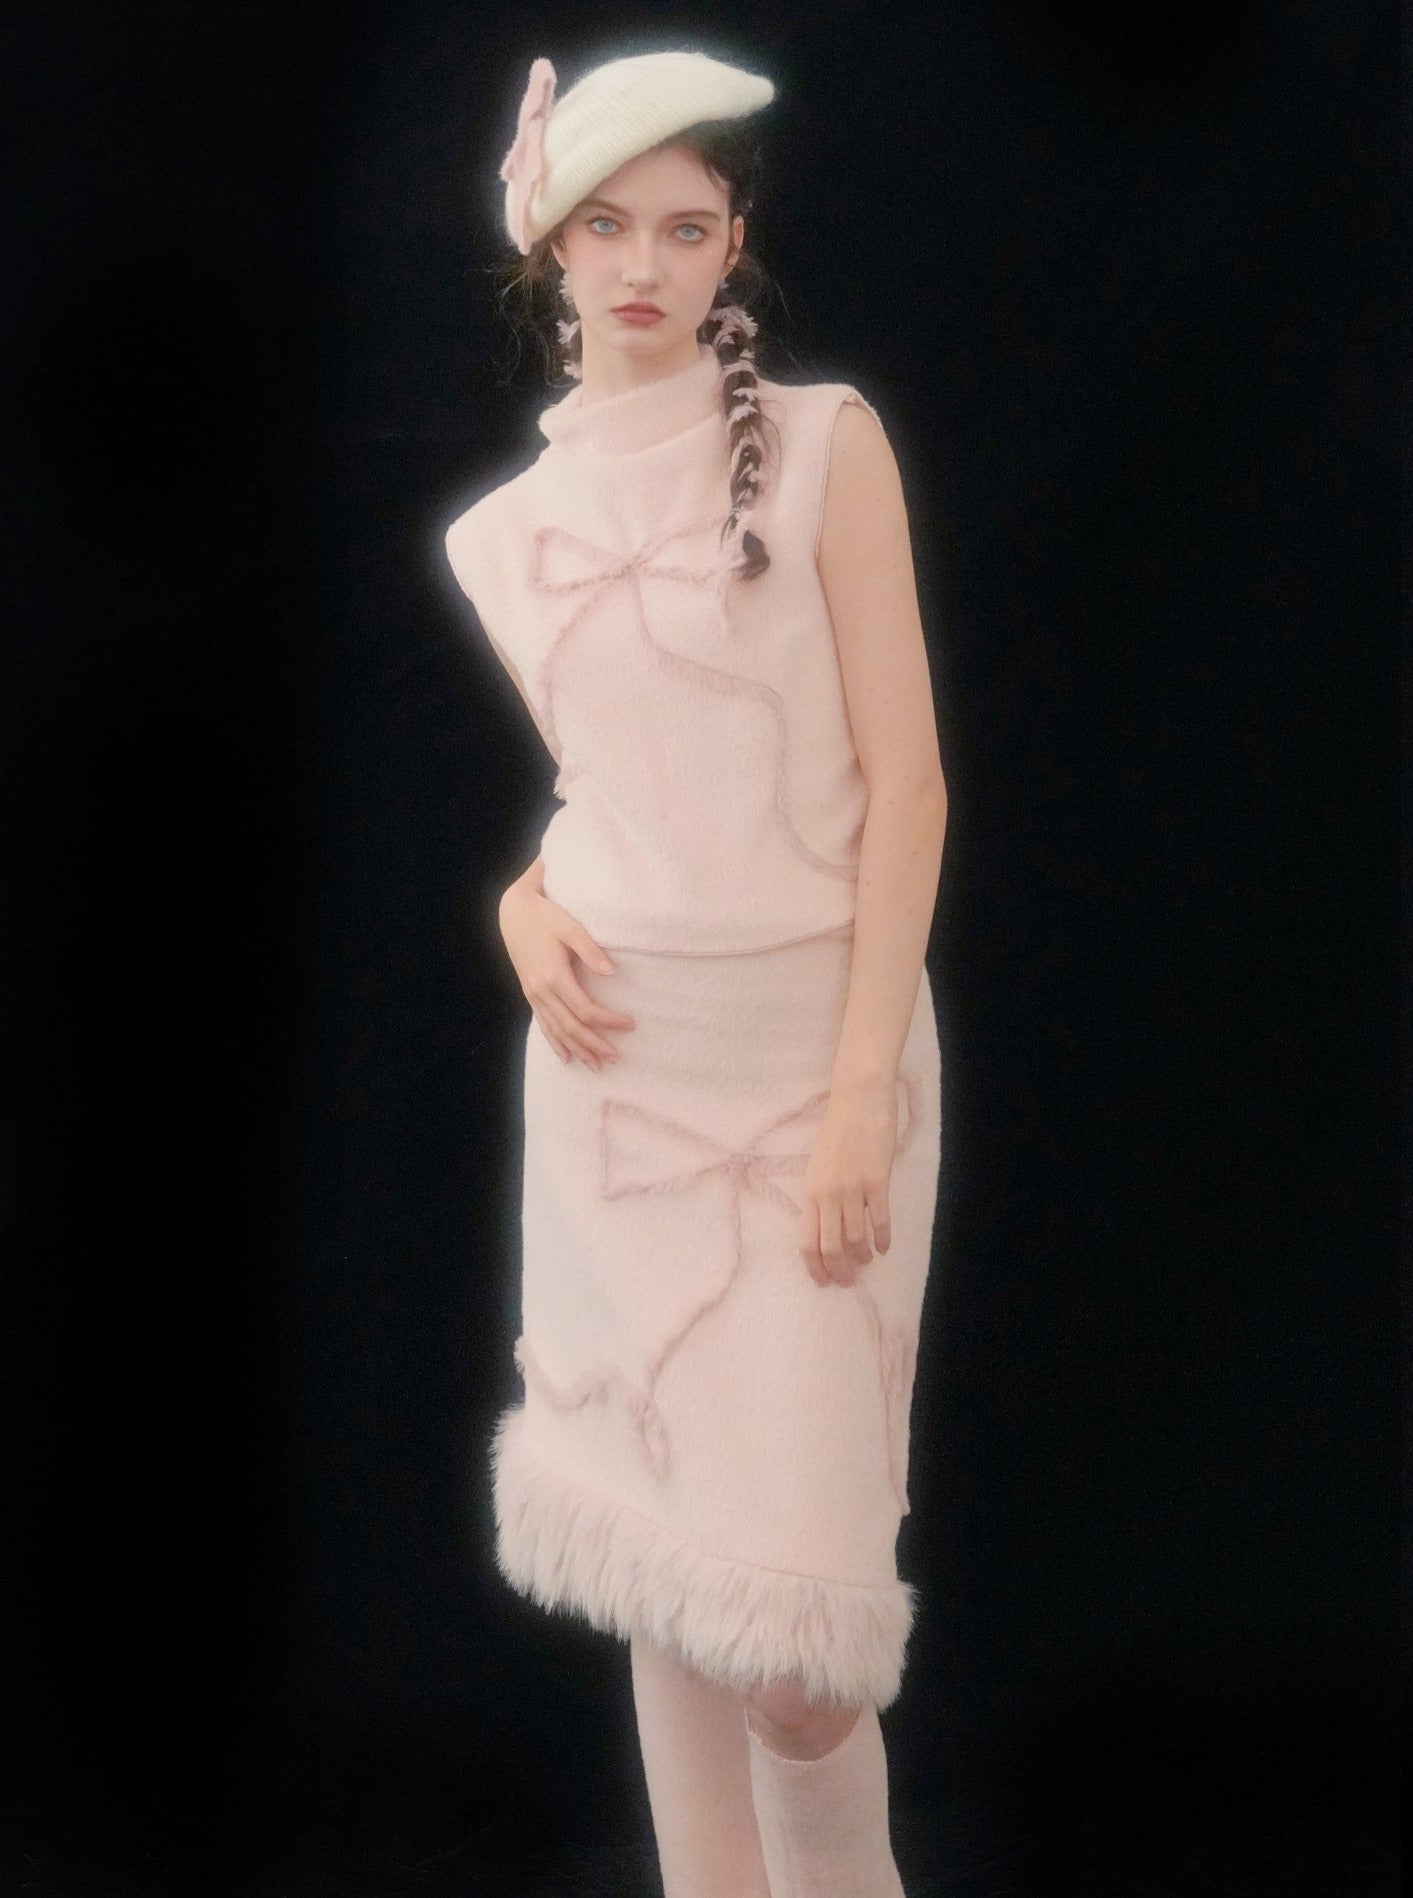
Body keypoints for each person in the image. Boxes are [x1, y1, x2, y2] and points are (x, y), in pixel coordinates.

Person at [444, 46, 948, 1898]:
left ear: (733, 242)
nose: (641, 263)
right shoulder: (501, 536)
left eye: (681, 225)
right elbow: (629, 784)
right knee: (670, 1574)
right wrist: (521, 904)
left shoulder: (823, 446)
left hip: (816, 1063)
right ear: (549, 250)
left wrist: (856, 1092)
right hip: (617, 1073)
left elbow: (905, 785)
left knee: (798, 1658)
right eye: (604, 227)